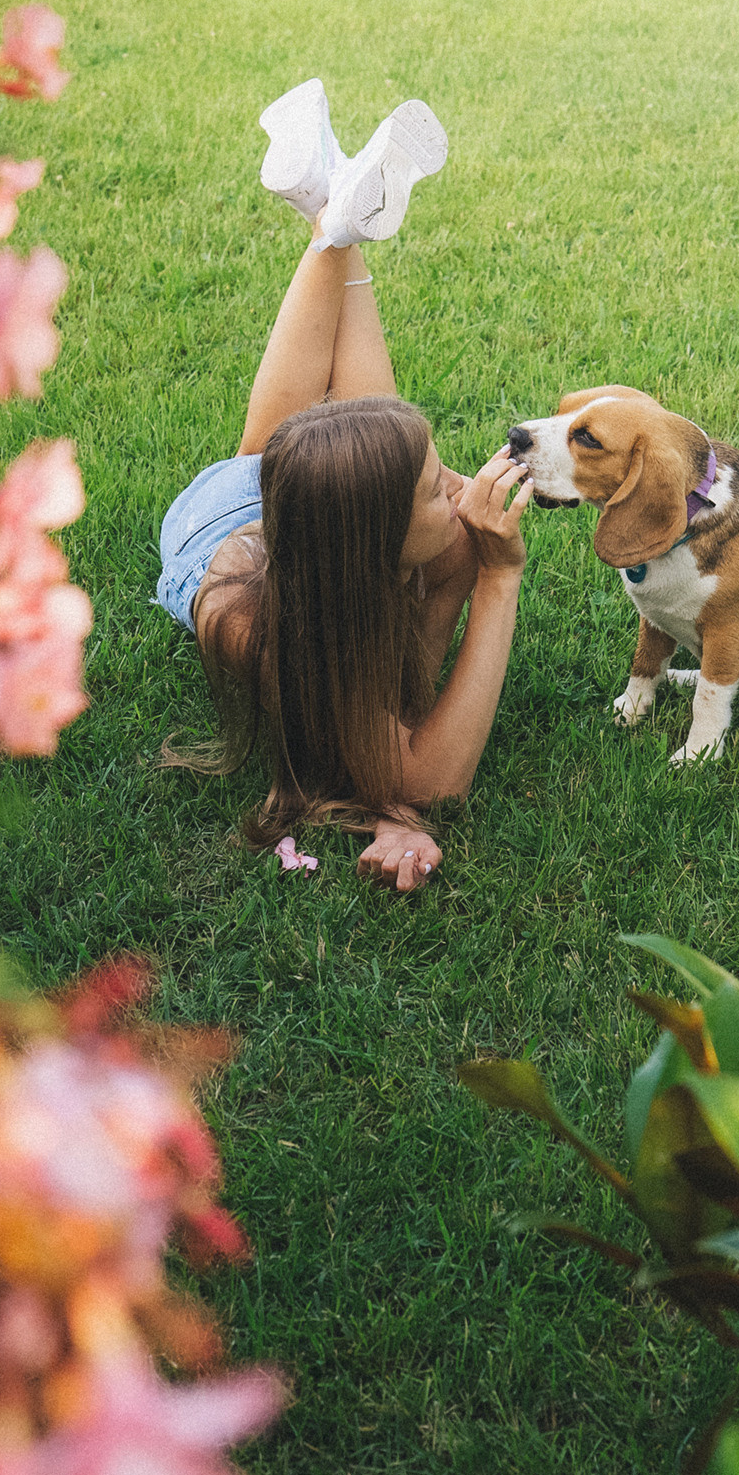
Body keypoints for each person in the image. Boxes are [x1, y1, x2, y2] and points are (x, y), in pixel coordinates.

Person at [159, 80, 532, 892]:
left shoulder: (351, 549)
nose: (462, 486)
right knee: (273, 450)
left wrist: (447, 562)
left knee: (318, 440)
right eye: (437, 490)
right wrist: (496, 578)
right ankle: (331, 218)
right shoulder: (259, 629)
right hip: (207, 536)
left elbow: (409, 691)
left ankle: (336, 224)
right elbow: (432, 780)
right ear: (367, 546)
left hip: (279, 491)